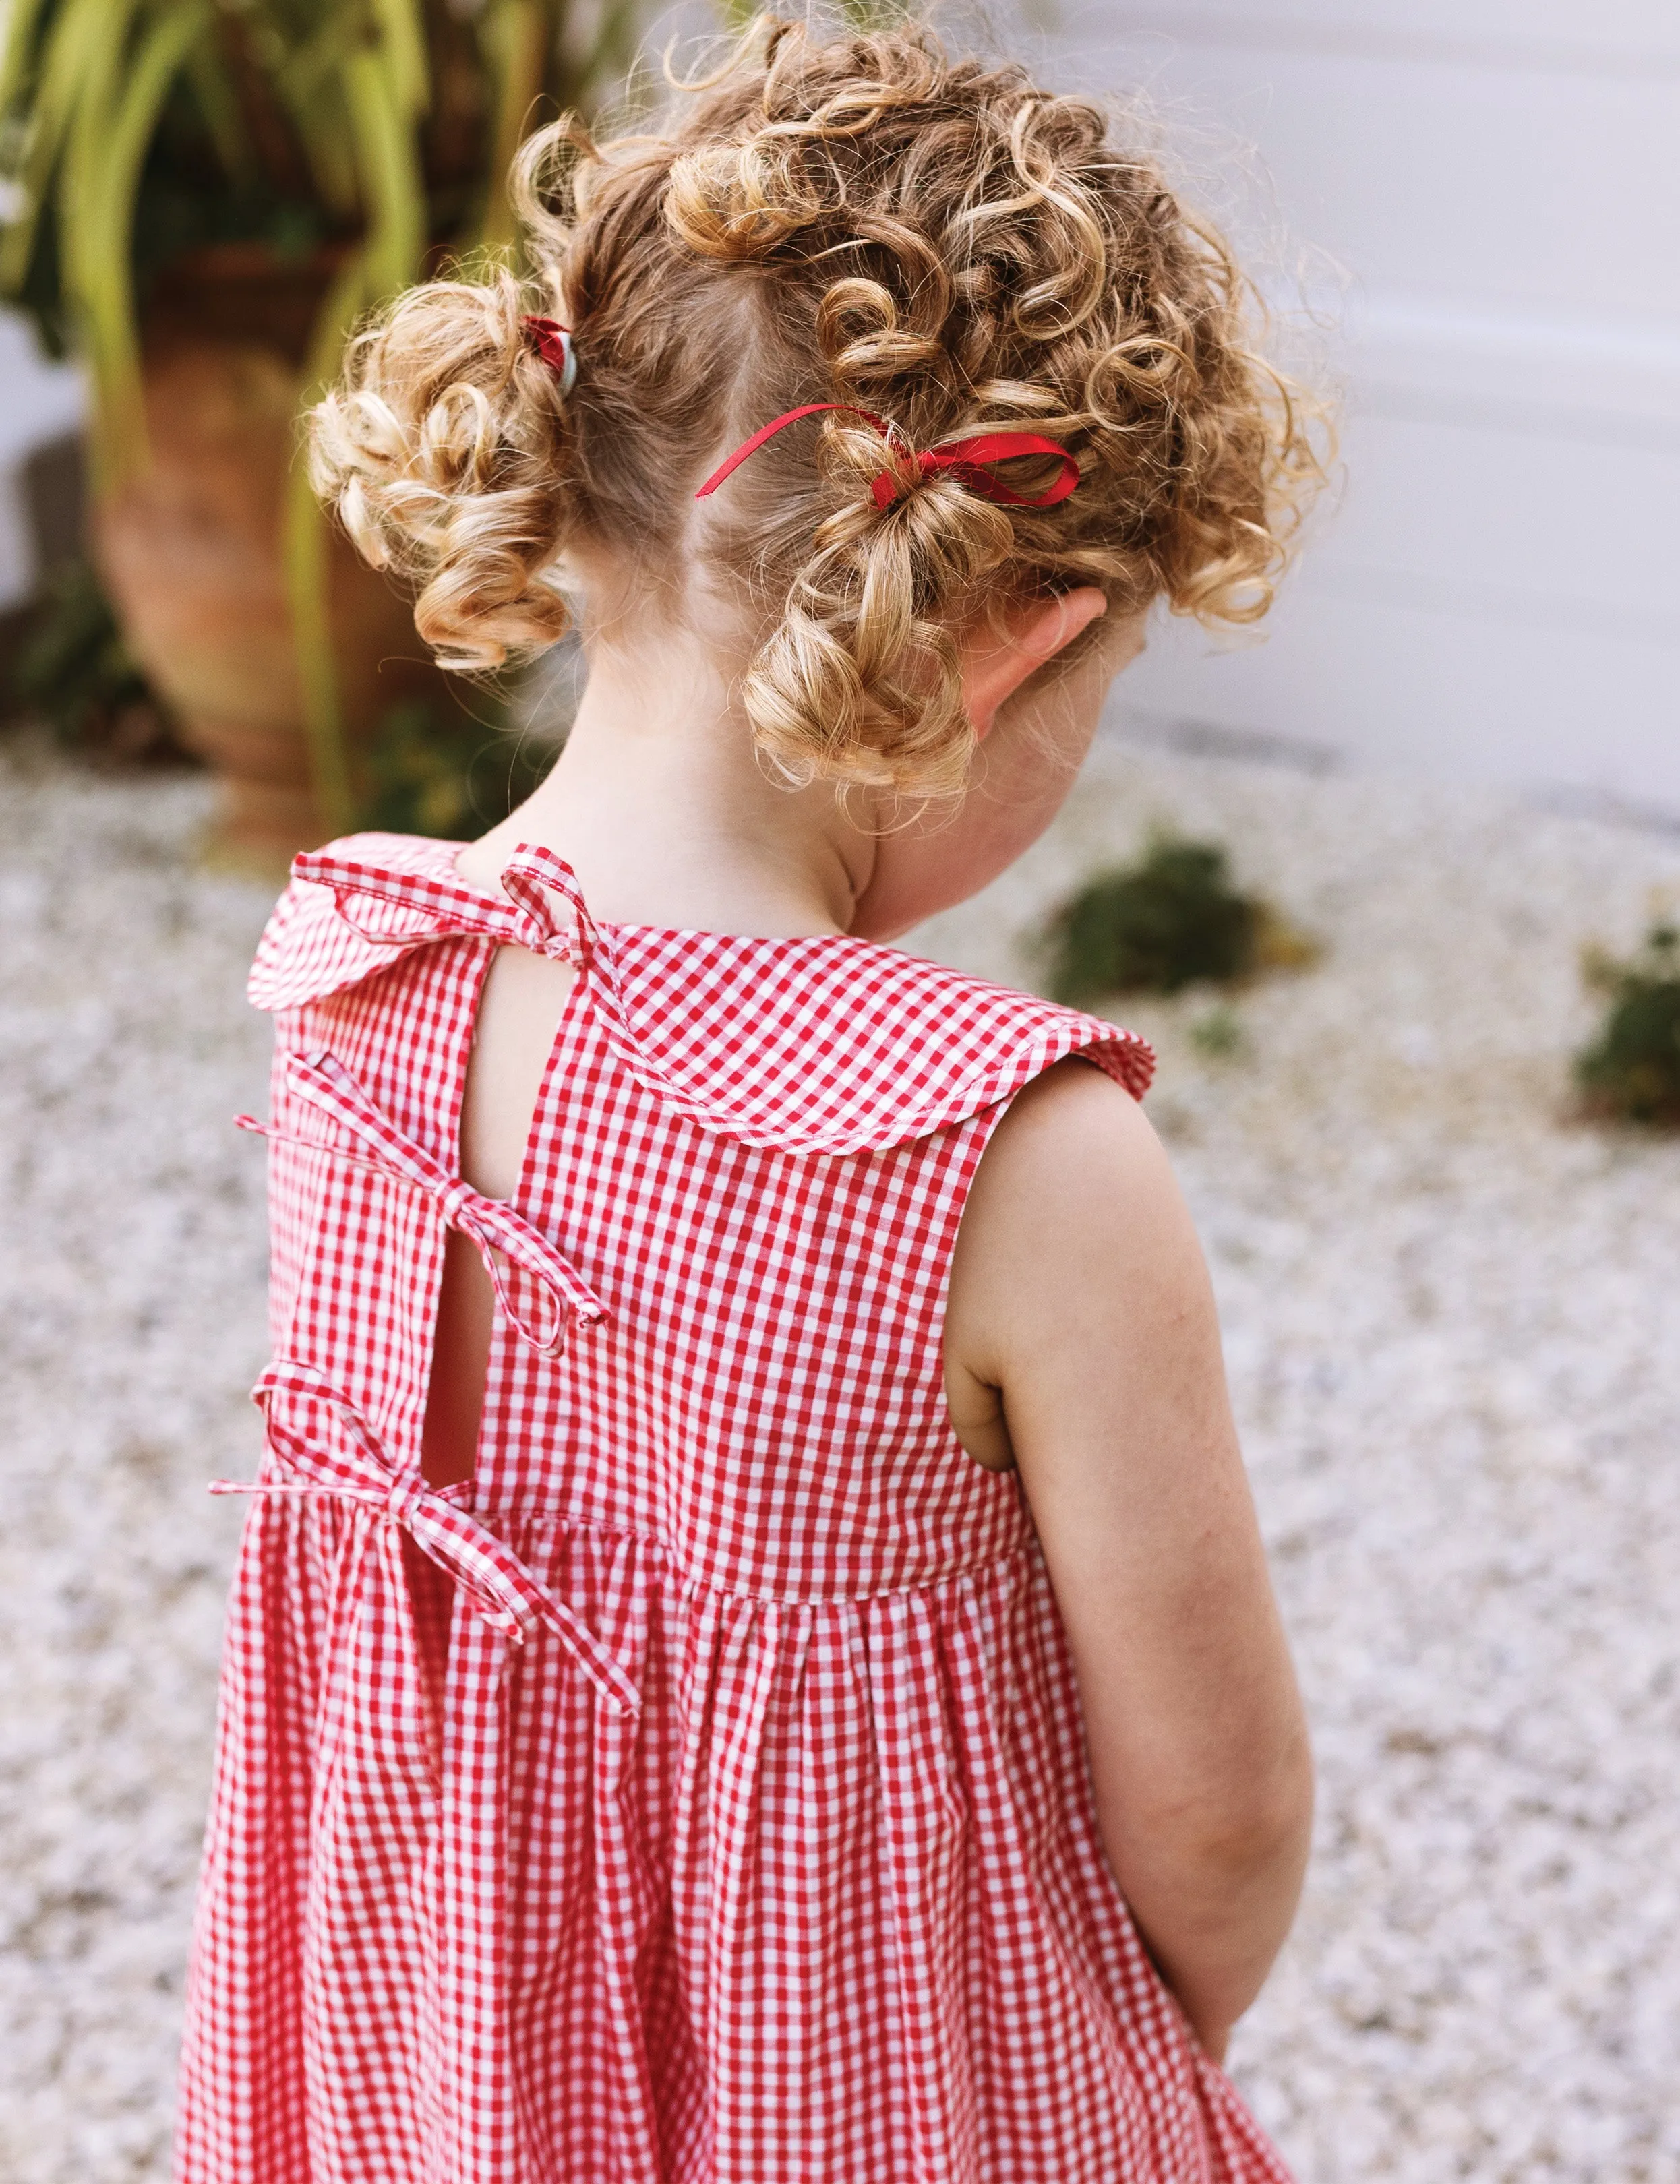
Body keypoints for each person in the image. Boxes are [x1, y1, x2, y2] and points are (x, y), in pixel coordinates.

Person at [176, 17, 1323, 2181]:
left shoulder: (350, 978)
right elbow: (1217, 1802)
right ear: (1009, 642)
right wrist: (1134, 2057)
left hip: (436, 2068)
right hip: (896, 2101)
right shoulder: (1001, 1145)